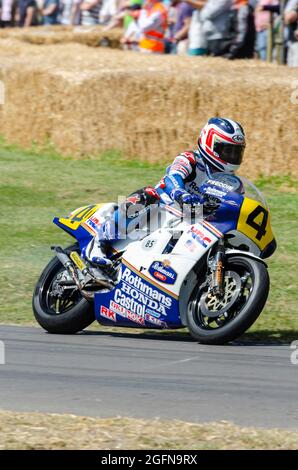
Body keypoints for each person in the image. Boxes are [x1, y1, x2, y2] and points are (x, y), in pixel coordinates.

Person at [84, 117, 246, 266]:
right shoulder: (190, 159)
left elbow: (235, 208)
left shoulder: (233, 183)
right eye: (227, 150)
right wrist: (179, 193)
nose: (232, 156)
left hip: (192, 224)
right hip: (163, 209)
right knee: (147, 196)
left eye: (236, 152)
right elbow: (173, 176)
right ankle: (99, 243)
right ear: (210, 144)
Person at [284, 0, 298, 66]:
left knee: (295, 64)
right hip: (292, 39)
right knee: (290, 64)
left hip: (296, 41)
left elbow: (289, 18)